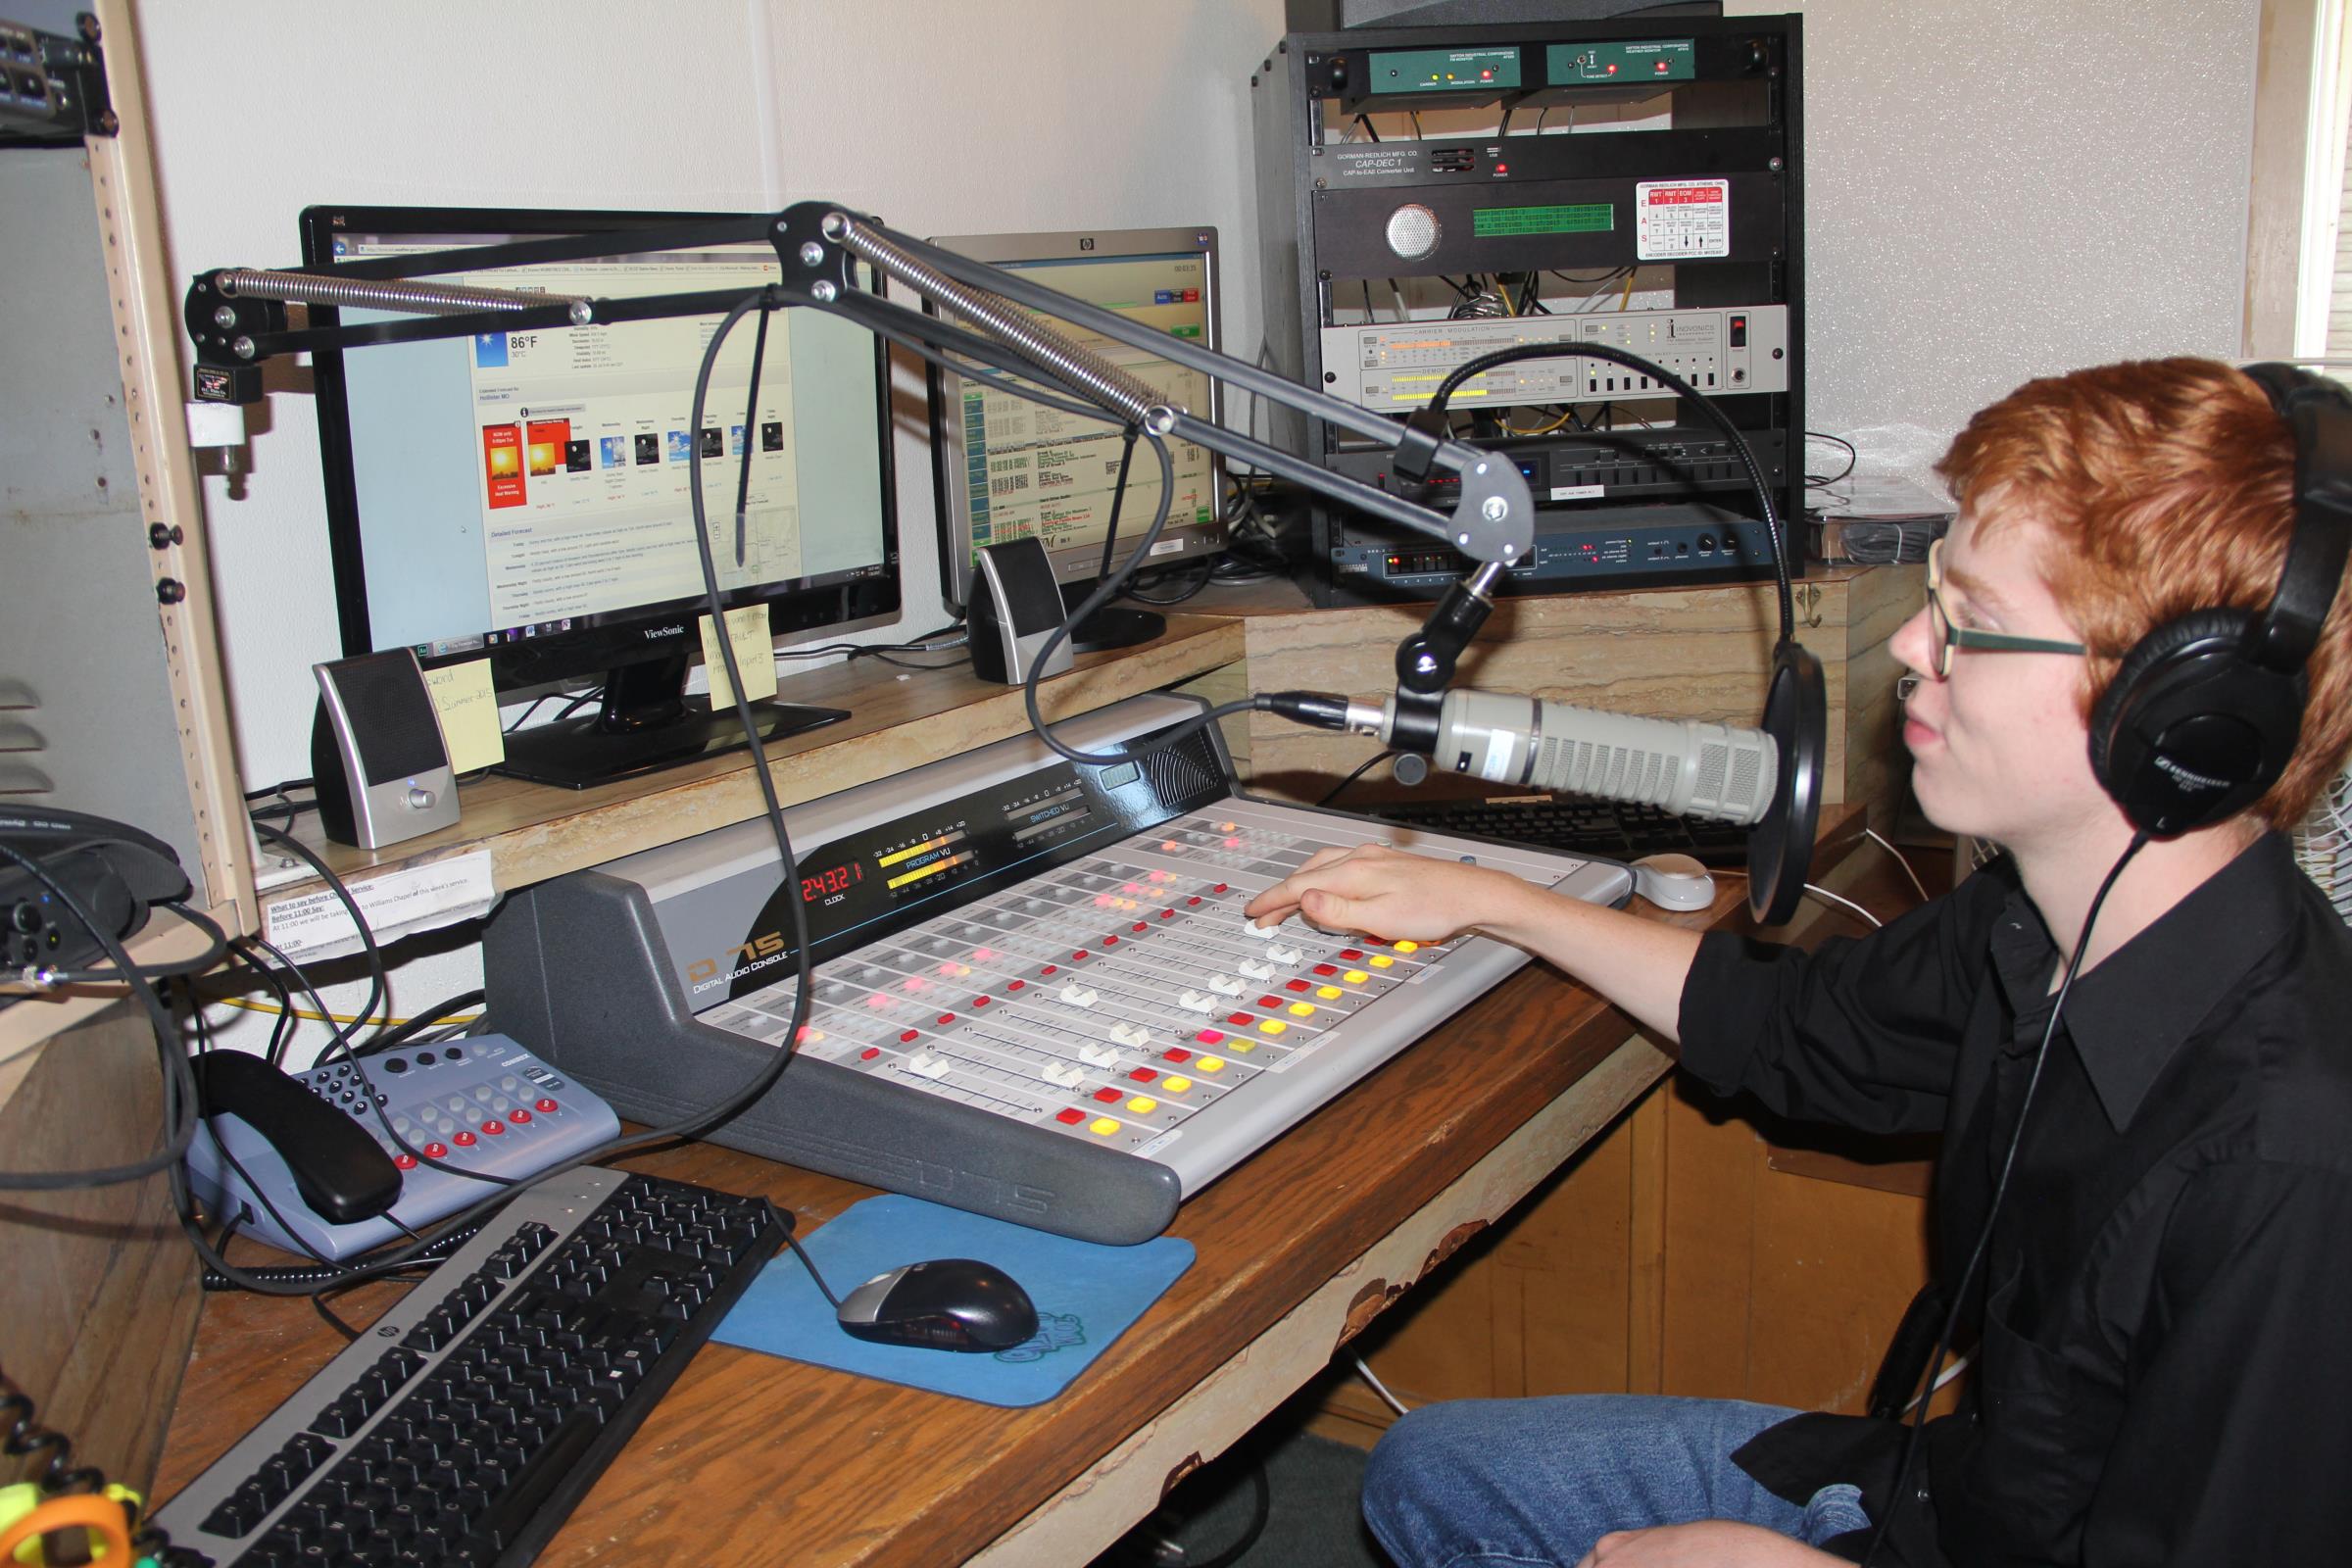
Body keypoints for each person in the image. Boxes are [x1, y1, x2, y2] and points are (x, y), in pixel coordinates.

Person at [1243, 359, 2352, 1567]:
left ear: (2174, 714)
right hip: (1939, 1503)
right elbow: (1791, 1031)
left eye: (1971, 621)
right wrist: (1500, 902)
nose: (1918, 645)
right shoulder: (2041, 916)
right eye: (1938, 591)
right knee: (1429, 1472)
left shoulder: (2292, 1163)